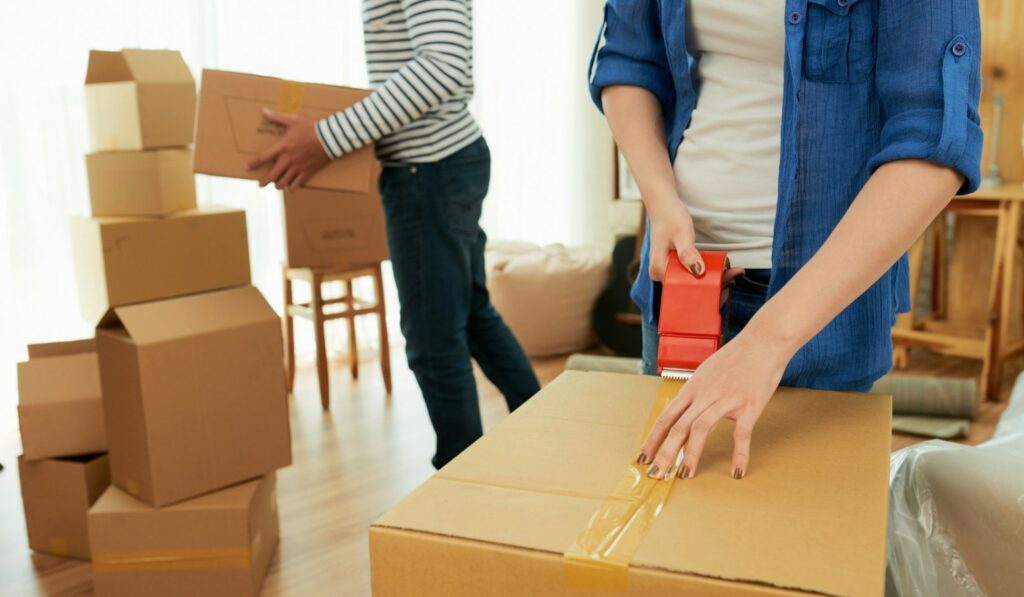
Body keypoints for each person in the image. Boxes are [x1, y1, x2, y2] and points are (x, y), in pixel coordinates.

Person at [589, 0, 982, 480]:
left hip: (822, 308)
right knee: (670, 526)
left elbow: (935, 141)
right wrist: (659, 196)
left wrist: (766, 341)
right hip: (685, 286)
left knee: (804, 530)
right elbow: (628, 61)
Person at [250, 0, 540, 469]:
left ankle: (460, 489)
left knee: (433, 341)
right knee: (471, 315)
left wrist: (327, 137)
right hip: (442, 163)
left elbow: (442, 65)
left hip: (429, 170)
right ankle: (549, 437)